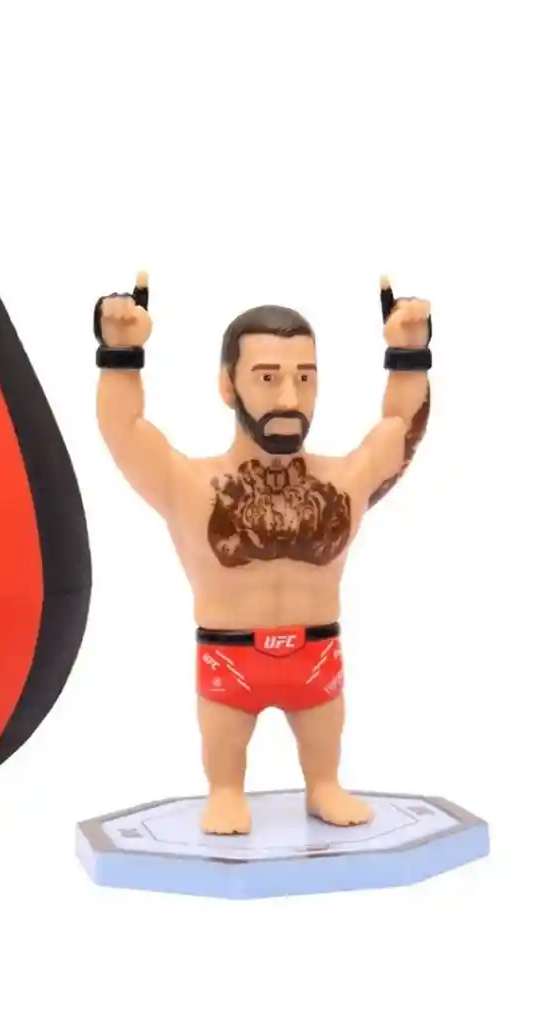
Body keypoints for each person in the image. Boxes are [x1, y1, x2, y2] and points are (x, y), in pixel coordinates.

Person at [94, 272, 431, 834]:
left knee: (326, 767)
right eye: (268, 377)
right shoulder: (190, 486)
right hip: (229, 659)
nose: (289, 398)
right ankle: (225, 790)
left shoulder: (343, 482)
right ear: (228, 386)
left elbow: (401, 429)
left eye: (305, 378)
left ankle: (324, 785)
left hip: (317, 658)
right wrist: (120, 354)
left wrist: (410, 353)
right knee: (225, 778)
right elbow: (124, 429)